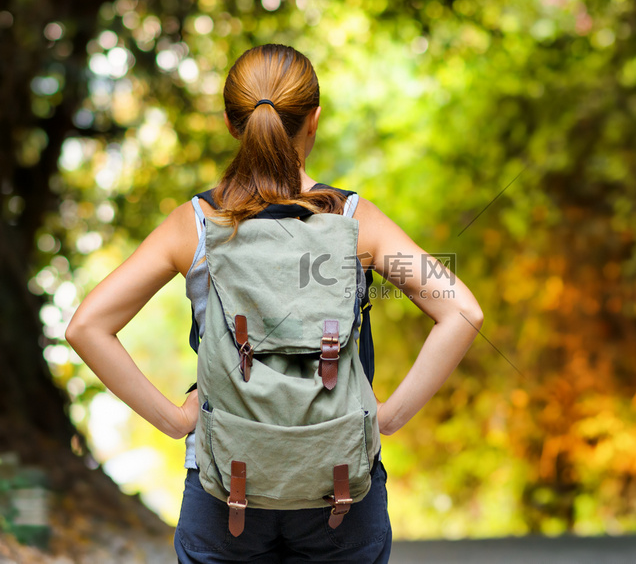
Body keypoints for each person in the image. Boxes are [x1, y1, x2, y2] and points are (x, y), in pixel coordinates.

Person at [66, 43, 483, 563]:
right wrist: (388, 417)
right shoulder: (355, 221)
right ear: (314, 120)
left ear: (230, 122)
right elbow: (463, 311)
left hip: (225, 487)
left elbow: (86, 327)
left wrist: (176, 421)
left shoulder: (194, 225)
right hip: (342, 489)